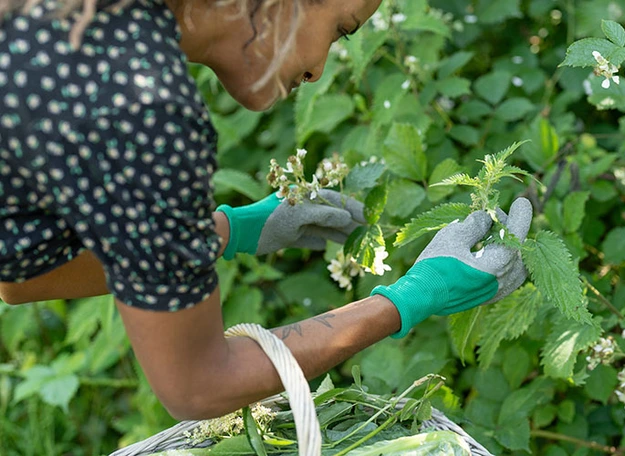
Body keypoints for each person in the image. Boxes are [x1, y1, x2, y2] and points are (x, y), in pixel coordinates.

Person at [0, 0, 533, 421]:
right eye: (341, 29)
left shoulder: (89, 26)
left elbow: (27, 272)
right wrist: (411, 298)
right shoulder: (144, 106)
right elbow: (199, 385)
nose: (320, 69)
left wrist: (228, 231)